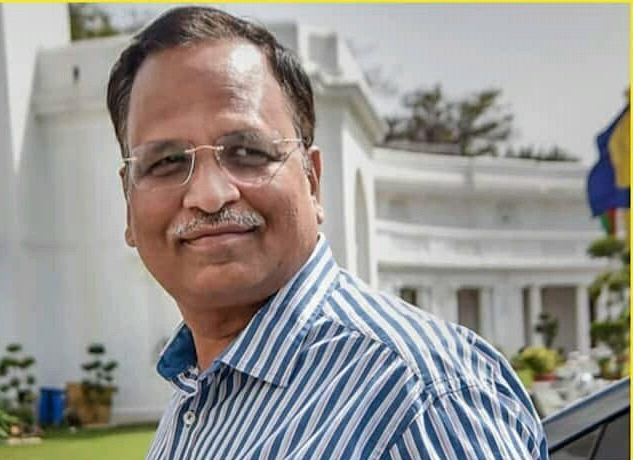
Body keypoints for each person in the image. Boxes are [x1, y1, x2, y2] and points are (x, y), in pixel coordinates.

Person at [107, 7, 547, 459]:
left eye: (247, 152)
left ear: (312, 180)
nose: (210, 195)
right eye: (166, 162)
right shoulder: (196, 394)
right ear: (128, 204)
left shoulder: (420, 398)